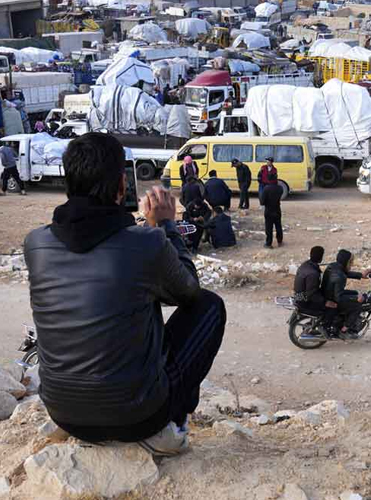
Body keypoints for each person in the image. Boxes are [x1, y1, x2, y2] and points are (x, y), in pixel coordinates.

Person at [23, 132, 226, 455]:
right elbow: (189, 292)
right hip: (139, 417)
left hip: (63, 411)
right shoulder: (145, 243)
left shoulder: (36, 244)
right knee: (211, 307)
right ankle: (171, 426)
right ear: (121, 186)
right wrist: (164, 225)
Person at [321, 250, 371, 337]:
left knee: (355, 292)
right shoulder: (339, 276)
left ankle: (344, 319)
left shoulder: (334, 266)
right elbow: (338, 298)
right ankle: (344, 330)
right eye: (350, 262)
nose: (351, 264)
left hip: (328, 293)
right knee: (358, 305)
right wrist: (356, 299)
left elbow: (345, 272)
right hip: (332, 298)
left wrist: (361, 275)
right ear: (346, 262)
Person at [294, 246, 329, 314]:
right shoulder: (313, 274)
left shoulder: (305, 264)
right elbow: (311, 294)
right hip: (304, 302)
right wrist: (325, 302)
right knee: (331, 309)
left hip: (299, 296)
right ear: (321, 258)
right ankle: (325, 324)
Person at [260, 172, 284, 248]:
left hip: (268, 210)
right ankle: (279, 241)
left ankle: (268, 243)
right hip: (277, 209)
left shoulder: (266, 188)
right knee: (278, 226)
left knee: (269, 228)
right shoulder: (280, 188)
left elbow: (262, 202)